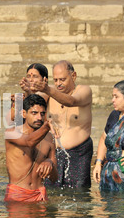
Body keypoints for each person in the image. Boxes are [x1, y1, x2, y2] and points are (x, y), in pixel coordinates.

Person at [32, 60, 93, 188]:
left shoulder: (84, 90)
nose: (58, 84)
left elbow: (71, 101)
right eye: (55, 80)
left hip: (79, 153)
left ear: (74, 76)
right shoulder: (49, 92)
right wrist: (26, 92)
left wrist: (48, 89)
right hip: (54, 154)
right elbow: (32, 105)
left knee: (78, 195)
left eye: (62, 79)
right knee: (50, 192)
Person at [4, 94, 58, 202]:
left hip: (40, 196)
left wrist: (49, 163)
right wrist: (46, 127)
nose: (39, 118)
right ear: (24, 114)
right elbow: (29, 141)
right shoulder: (11, 133)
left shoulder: (49, 138)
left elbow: (54, 178)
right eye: (34, 113)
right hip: (17, 195)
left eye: (42, 114)